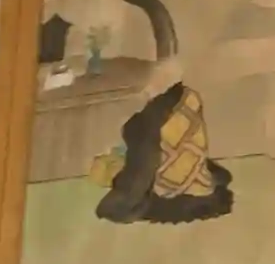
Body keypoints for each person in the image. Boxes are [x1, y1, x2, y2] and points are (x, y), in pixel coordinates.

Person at [97, 60, 234, 224]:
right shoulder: (191, 98)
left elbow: (141, 171)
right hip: (201, 185)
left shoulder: (149, 121)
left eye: (150, 85)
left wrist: (117, 202)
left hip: (175, 193)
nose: (146, 91)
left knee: (108, 176)